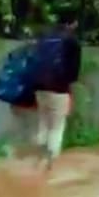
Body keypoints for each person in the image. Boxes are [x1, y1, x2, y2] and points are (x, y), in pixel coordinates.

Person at [34, 10, 82, 171]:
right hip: (59, 90)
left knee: (43, 123)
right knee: (56, 126)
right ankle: (48, 164)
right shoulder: (72, 42)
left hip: (40, 88)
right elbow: (74, 73)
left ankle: (38, 157)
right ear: (73, 23)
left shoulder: (46, 37)